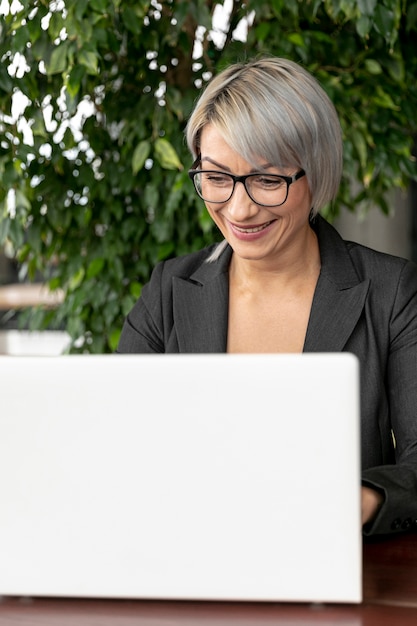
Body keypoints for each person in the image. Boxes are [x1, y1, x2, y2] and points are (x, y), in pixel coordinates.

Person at [117, 56, 417, 537]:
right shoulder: (168, 292)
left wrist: (360, 499)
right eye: (216, 178)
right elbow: (115, 444)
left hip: (336, 576)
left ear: (315, 173)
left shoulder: (391, 291)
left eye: (267, 180)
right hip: (188, 565)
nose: (239, 208)